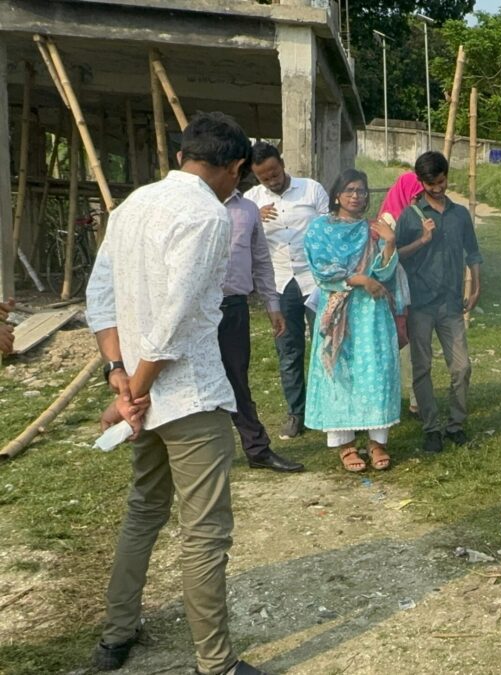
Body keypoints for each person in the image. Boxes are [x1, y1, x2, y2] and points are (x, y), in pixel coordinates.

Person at [84, 112, 265, 674]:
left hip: (144, 393)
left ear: (186, 154)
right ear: (235, 167)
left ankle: (116, 635)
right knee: (204, 533)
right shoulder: (207, 215)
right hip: (188, 396)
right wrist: (132, 392)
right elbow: (175, 320)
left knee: (144, 510)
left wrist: (118, 373)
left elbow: (100, 296)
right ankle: (217, 663)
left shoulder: (133, 204)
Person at [305, 169, 403, 472]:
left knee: (376, 370)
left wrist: (389, 242)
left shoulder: (372, 229)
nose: (356, 196)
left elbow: (385, 273)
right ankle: (345, 444)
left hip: (372, 312)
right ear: (337, 195)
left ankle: (377, 442)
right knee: (341, 373)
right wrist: (361, 279)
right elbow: (322, 269)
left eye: (361, 191)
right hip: (339, 310)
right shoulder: (320, 228)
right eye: (349, 190)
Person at [396, 151, 482, 453]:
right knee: (421, 368)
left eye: (441, 181)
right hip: (419, 304)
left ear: (447, 177)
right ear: (421, 182)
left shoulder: (460, 215)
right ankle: (431, 427)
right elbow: (395, 257)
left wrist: (476, 287)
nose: (437, 188)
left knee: (461, 367)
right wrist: (421, 240)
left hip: (451, 303)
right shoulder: (410, 216)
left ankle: (456, 425)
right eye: (430, 184)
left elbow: (473, 253)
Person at [244, 141, 329, 440]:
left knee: (327, 345)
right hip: (280, 284)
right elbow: (241, 241)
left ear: (282, 163)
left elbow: (328, 229)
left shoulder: (311, 190)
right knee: (288, 350)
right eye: (264, 177)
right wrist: (253, 218)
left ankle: (331, 410)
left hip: (315, 280)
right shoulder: (251, 201)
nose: (272, 180)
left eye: (275, 173)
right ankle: (297, 413)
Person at [218, 189, 304, 473]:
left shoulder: (247, 209)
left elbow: (261, 260)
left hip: (233, 305)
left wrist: (272, 304)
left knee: (237, 379)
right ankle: (199, 451)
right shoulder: (186, 203)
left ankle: (256, 449)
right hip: (192, 309)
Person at [375, 170, 424, 416]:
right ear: (404, 193)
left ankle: (416, 399)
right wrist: (422, 242)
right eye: (414, 196)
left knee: (414, 344)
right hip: (392, 289)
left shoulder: (415, 214)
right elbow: (387, 257)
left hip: (413, 286)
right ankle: (388, 400)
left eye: (420, 196)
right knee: (395, 343)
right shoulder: (389, 218)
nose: (417, 201)